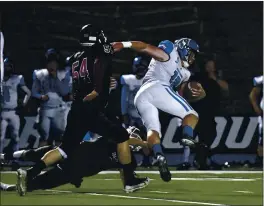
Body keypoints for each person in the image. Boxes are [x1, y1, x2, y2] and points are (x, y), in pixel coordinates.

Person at [16, 24, 147, 196]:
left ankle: (30, 173)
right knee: (122, 136)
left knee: (64, 149)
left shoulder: (76, 58)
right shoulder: (101, 51)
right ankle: (129, 181)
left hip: (76, 108)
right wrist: (134, 45)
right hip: (90, 108)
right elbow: (118, 48)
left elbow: (87, 78)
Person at [112, 38, 205, 181]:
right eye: (191, 53)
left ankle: (159, 155)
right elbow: (144, 47)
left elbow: (181, 94)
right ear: (183, 48)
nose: (192, 58)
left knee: (153, 130)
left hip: (142, 96)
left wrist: (200, 93)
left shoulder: (185, 73)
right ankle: (187, 137)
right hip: (158, 86)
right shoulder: (170, 52)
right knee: (192, 114)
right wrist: (124, 44)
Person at [1, 127, 150, 193]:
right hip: (78, 152)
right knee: (36, 154)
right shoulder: (117, 136)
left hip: (80, 168)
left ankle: (9, 187)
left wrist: (131, 180)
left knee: (40, 183)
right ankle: (5, 157)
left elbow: (126, 177)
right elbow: (125, 140)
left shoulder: (130, 159)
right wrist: (144, 143)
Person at [183, 59, 229, 170]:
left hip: (209, 112)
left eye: (212, 66)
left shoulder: (216, 79)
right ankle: (187, 161)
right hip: (197, 111)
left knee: (209, 137)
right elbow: (187, 90)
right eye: (208, 65)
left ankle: (201, 159)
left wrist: (215, 78)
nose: (210, 68)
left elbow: (226, 89)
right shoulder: (197, 77)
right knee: (193, 137)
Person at [32, 49, 73, 146]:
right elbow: (34, 92)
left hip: (59, 109)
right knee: (44, 136)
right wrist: (41, 96)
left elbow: (65, 92)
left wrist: (55, 77)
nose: (52, 64)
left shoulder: (63, 74)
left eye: (54, 62)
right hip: (45, 109)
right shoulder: (40, 74)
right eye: (50, 62)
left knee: (59, 136)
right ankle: (41, 158)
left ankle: (57, 159)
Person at [0, 57, 31, 153]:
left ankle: (15, 158)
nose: (7, 68)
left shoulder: (17, 78)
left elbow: (28, 92)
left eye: (8, 66)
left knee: (16, 137)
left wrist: (23, 104)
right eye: (5, 66)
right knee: (1, 138)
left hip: (13, 112)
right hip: (2, 112)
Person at [120, 56, 149, 129]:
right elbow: (124, 99)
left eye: (142, 67)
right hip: (130, 114)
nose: (140, 69)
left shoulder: (148, 81)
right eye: (138, 66)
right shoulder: (128, 80)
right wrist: (124, 114)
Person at [249, 75, 263, 167]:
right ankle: (260, 161)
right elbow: (253, 95)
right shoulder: (261, 79)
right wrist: (256, 107)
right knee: (262, 139)